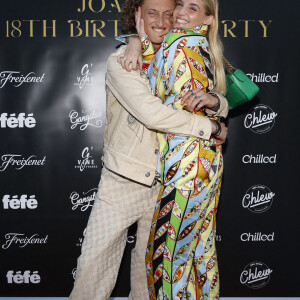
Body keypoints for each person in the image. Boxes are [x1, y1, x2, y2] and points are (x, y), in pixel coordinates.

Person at [68, 0, 228, 299]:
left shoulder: (179, 53)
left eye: (169, 14)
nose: (162, 21)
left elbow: (219, 95)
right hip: (124, 179)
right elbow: (153, 114)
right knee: (93, 267)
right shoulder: (121, 60)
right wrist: (211, 128)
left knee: (149, 275)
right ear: (138, 15)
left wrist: (217, 103)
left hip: (167, 182)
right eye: (152, 13)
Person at [123, 0, 226, 298]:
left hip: (187, 167)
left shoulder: (179, 45)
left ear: (207, 19)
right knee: (201, 256)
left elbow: (158, 101)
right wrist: (134, 40)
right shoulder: (196, 46)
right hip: (205, 164)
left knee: (165, 260)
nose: (180, 12)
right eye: (180, 4)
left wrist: (135, 41)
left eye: (192, 8)